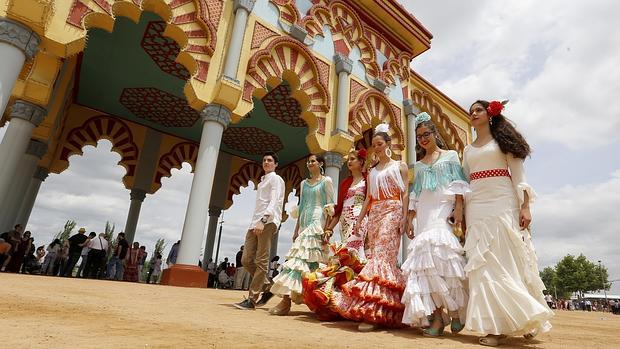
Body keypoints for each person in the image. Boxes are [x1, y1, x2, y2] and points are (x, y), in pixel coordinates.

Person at [463, 100, 553, 346]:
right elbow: (465, 181)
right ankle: (495, 327)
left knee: (507, 260)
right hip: (476, 206)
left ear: (490, 114)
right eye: (471, 111)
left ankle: (526, 317)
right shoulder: (467, 150)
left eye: (478, 110)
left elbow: (520, 177)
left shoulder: (502, 142)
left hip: (503, 202)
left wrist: (525, 207)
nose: (473, 113)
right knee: (483, 264)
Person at [401, 113, 469, 336]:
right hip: (424, 211)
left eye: (426, 134)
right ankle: (438, 319)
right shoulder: (418, 166)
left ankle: (456, 311)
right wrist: (410, 217)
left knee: (443, 255)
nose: (422, 139)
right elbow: (416, 193)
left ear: (435, 134)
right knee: (426, 263)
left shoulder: (450, 156)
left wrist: (458, 208)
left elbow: (459, 183)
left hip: (443, 208)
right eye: (418, 136)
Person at [337, 123, 409, 331]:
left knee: (383, 257)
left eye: (380, 144)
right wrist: (360, 219)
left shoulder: (400, 166)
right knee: (375, 255)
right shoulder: (372, 170)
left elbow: (404, 193)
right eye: (374, 145)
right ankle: (378, 309)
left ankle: (374, 312)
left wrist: (404, 217)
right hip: (375, 212)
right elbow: (368, 197)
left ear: (389, 144)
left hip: (393, 209)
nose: (377, 147)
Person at [301, 148, 369, 320]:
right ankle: (346, 302)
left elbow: (371, 202)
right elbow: (338, 210)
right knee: (346, 258)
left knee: (354, 256)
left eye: (353, 159)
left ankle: (360, 302)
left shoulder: (368, 180)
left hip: (359, 221)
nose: (350, 161)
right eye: (349, 159)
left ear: (362, 162)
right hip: (345, 223)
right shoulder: (346, 183)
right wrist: (329, 229)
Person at [268, 153, 335, 316]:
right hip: (304, 221)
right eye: (308, 162)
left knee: (307, 262)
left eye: (313, 161)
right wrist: (296, 230)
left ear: (320, 164)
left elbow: (329, 205)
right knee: (302, 261)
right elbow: (302, 205)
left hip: (317, 222)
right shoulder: (304, 183)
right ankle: (290, 300)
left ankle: (289, 301)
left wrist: (327, 229)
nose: (309, 164)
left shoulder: (327, 181)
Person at [233, 151, 285, 310]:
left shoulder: (276, 179)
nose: (266, 162)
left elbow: (274, 201)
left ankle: (252, 299)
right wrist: (257, 222)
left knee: (261, 260)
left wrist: (264, 220)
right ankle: (268, 288)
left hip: (267, 222)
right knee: (246, 260)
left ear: (276, 164)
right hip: (255, 223)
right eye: (264, 160)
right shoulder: (263, 181)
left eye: (270, 160)